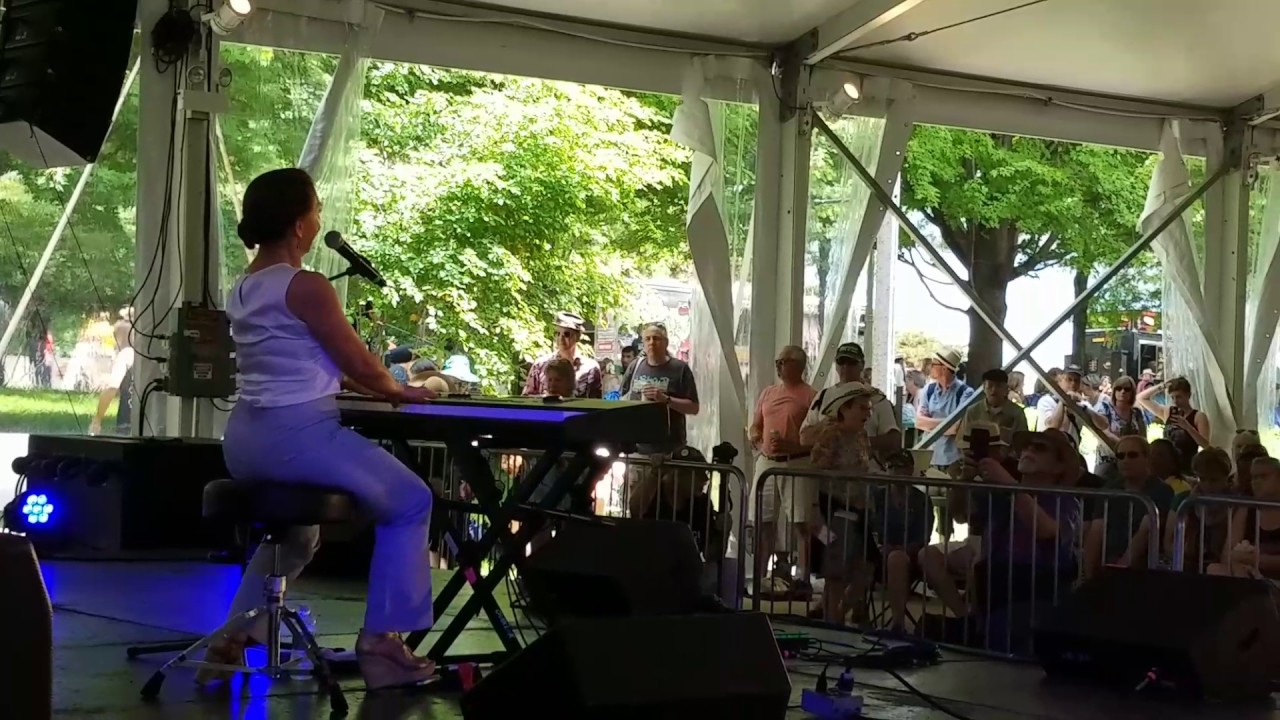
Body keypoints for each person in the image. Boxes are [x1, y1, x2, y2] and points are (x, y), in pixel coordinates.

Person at [203, 168, 437, 690]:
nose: (319, 220)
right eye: (315, 211)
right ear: (298, 223)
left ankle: (233, 637)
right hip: (297, 435)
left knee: (299, 535)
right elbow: (361, 364)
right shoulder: (305, 285)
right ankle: (382, 643)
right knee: (410, 499)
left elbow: (300, 360)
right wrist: (405, 390)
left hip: (245, 439)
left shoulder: (243, 286)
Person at [747, 345, 817, 592]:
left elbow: (818, 437)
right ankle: (759, 576)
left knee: (801, 522)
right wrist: (756, 436)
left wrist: (793, 443)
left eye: (784, 361)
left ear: (799, 365)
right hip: (768, 461)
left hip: (796, 461)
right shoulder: (768, 393)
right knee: (763, 522)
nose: (779, 365)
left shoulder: (811, 396)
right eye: (778, 361)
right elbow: (756, 424)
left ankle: (804, 577)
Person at [810, 383, 880, 624]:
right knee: (836, 573)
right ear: (844, 409)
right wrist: (815, 513)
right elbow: (816, 473)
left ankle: (840, 612)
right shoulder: (830, 434)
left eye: (869, 409)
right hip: (834, 508)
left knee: (867, 566)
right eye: (862, 408)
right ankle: (833, 621)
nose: (867, 414)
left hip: (859, 509)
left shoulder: (861, 436)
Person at [1081, 436, 1174, 578]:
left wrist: (1117, 572)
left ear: (1147, 458)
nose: (1125, 461)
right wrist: (1088, 576)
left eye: (1132, 455)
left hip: (1143, 568)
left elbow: (1144, 535)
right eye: (1120, 456)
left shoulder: (1161, 491)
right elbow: (1096, 532)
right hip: (1109, 563)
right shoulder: (1109, 489)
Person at [800, 342, 900, 457]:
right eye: (841, 362)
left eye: (852, 362)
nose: (845, 367)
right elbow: (804, 438)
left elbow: (894, 440)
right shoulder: (823, 395)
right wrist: (823, 427)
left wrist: (861, 442)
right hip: (828, 471)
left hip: (867, 471)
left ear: (862, 365)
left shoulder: (876, 397)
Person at [912, 349, 975, 474]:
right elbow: (918, 422)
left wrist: (929, 423)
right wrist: (948, 423)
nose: (930, 367)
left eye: (934, 364)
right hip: (929, 458)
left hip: (954, 460)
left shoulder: (965, 392)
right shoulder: (928, 390)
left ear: (944, 368)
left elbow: (957, 428)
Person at [1137, 376, 1210, 473]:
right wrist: (1162, 386)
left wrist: (1188, 427)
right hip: (1166, 467)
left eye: (1179, 397)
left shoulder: (1198, 416)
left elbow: (1206, 445)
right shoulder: (1168, 412)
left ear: (1188, 395)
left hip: (1186, 467)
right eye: (1172, 397)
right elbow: (1141, 398)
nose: (1175, 401)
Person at [523, 312, 602, 398]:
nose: (561, 338)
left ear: (578, 336)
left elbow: (595, 403)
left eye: (566, 334)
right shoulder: (540, 365)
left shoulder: (591, 368)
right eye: (557, 333)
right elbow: (526, 399)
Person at [89, 308, 135, 435]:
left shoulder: (126, 355)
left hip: (127, 423)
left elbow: (112, 388)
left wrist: (97, 419)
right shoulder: (144, 356)